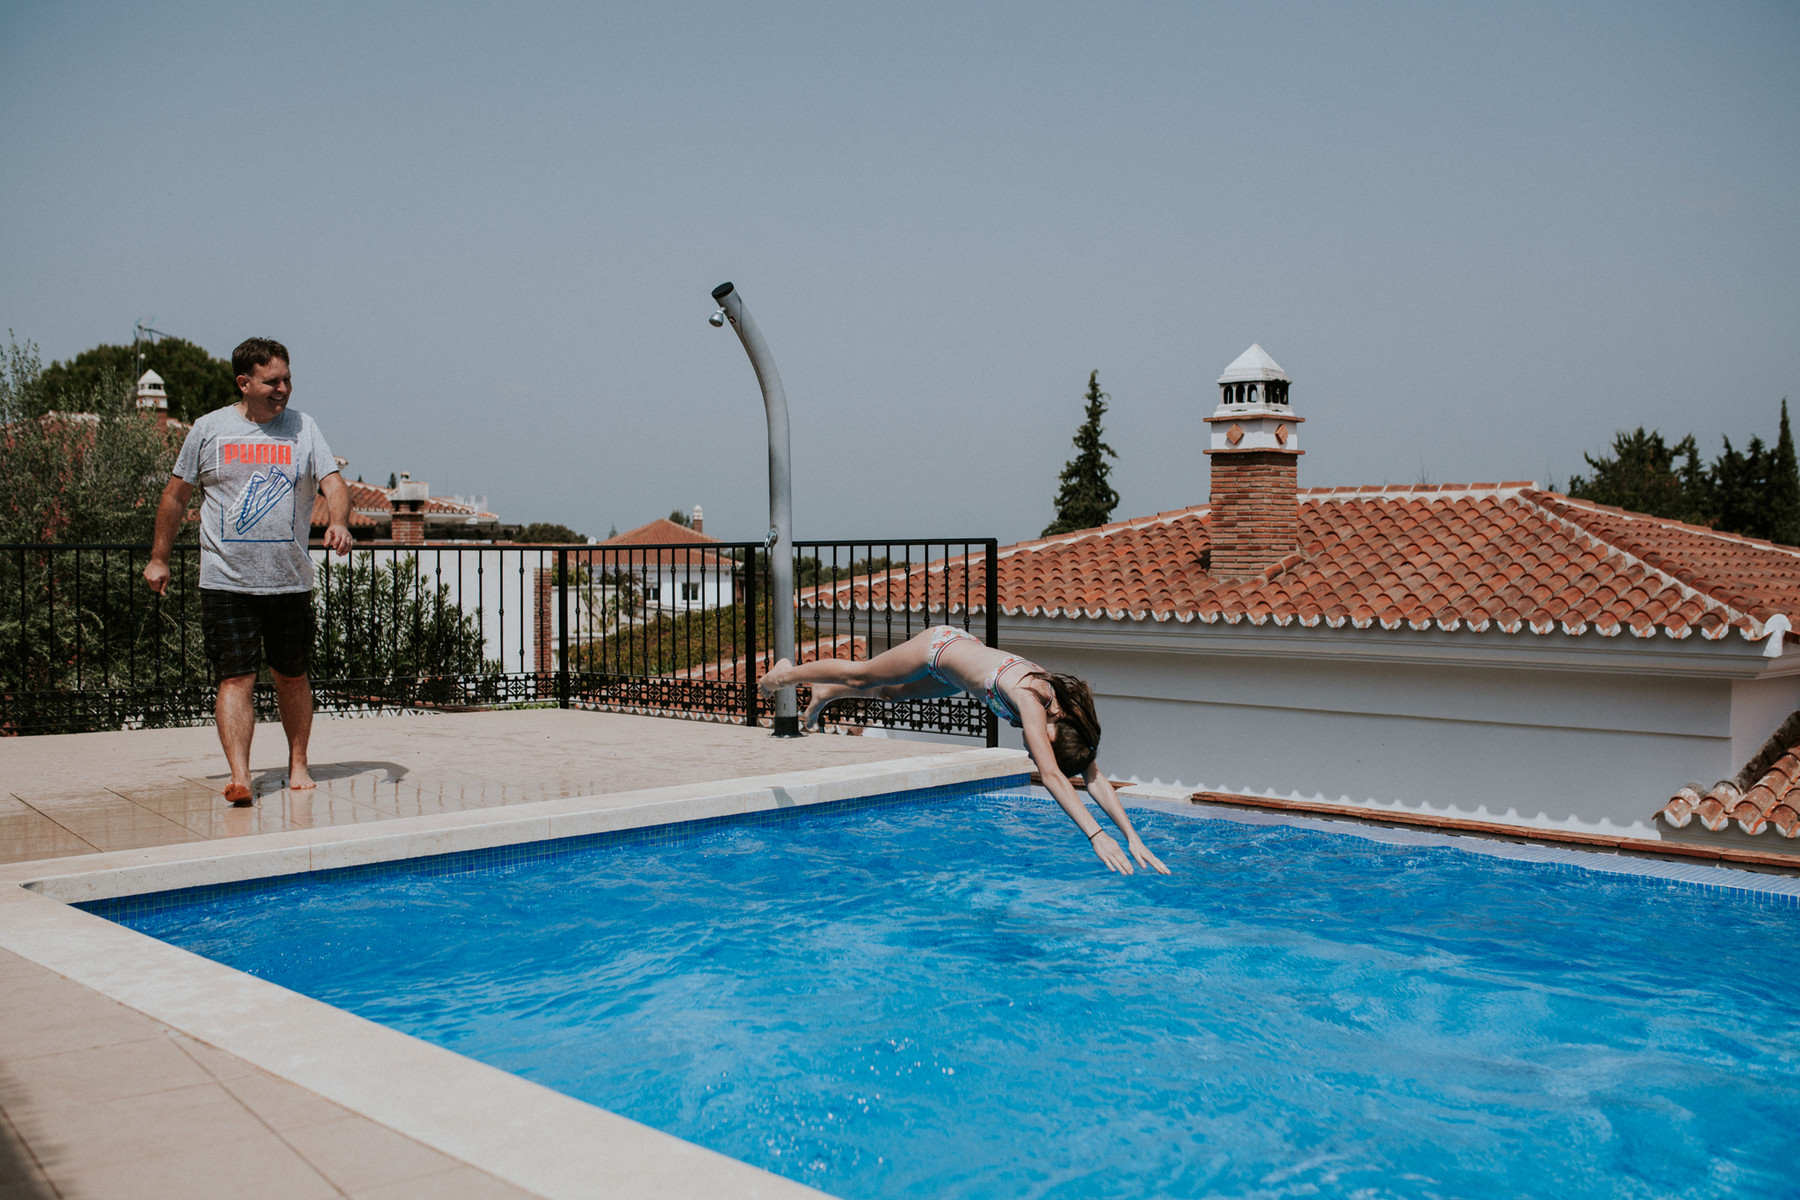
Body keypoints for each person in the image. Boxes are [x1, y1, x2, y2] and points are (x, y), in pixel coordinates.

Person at [759, 626, 1171, 875]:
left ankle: (825, 694)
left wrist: (1131, 835)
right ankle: (785, 674)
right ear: (1047, 735)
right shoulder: (1031, 702)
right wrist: (1096, 835)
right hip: (936, 648)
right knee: (863, 674)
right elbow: (1052, 776)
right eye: (1036, 748)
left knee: (888, 693)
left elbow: (1093, 777)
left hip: (954, 668)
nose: (1031, 750)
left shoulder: (1068, 720)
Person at [143, 337, 352, 805]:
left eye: (288, 379)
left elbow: (334, 484)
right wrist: (159, 557)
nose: (284, 389)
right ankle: (240, 775)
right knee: (235, 677)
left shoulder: (304, 428)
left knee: (291, 675)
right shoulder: (209, 429)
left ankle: (298, 764)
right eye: (272, 381)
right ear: (245, 382)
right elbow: (176, 496)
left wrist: (338, 522)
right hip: (226, 579)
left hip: (289, 579)